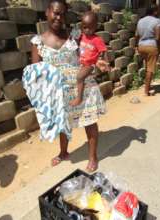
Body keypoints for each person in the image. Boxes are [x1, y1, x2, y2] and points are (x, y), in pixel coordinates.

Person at [30, 0, 106, 172]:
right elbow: (36, 73)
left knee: (90, 121)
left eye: (62, 14)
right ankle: (63, 152)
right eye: (55, 13)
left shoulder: (75, 35)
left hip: (83, 86)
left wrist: (97, 63)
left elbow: (90, 51)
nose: (59, 17)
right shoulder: (37, 42)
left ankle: (93, 156)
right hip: (58, 91)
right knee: (62, 124)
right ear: (47, 13)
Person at [70, 11, 110, 106]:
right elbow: (72, 38)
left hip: (90, 64)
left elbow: (103, 51)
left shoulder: (97, 39)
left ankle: (79, 98)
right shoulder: (81, 36)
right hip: (81, 62)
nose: (87, 30)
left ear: (95, 27)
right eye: (84, 27)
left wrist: (106, 63)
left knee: (79, 77)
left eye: (90, 28)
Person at [136, 4, 160, 96]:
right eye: (158, 10)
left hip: (141, 46)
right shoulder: (157, 21)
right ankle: (146, 91)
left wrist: (137, 46)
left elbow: (136, 35)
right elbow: (158, 37)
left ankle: (147, 85)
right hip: (151, 46)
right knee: (150, 69)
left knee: (147, 66)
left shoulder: (140, 20)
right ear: (155, 11)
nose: (159, 12)